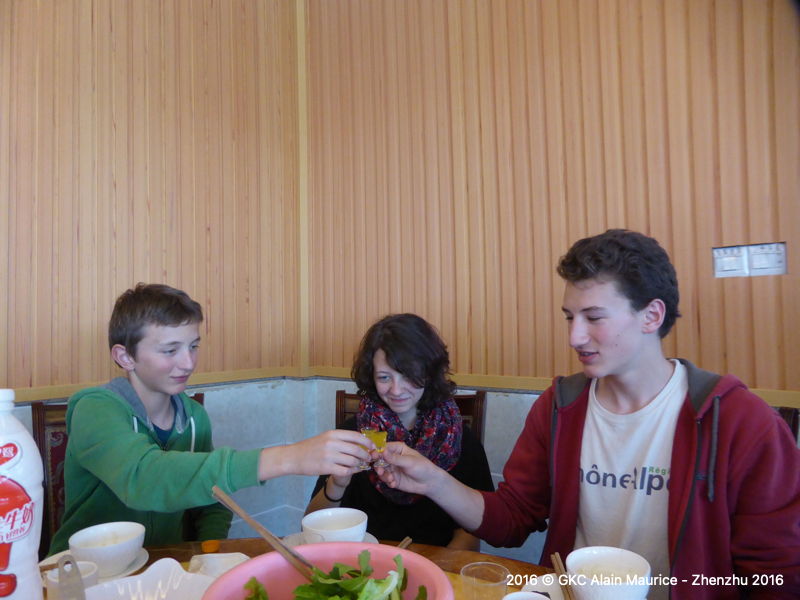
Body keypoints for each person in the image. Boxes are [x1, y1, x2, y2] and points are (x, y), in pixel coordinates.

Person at [377, 230, 800, 599]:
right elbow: (513, 519)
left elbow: (777, 575)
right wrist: (434, 481)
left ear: (652, 315)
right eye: (570, 318)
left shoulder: (739, 421)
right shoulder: (561, 407)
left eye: (594, 317)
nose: (575, 336)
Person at [49, 283, 371, 554]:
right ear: (125, 356)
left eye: (193, 346)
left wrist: (209, 551)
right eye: (170, 350)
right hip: (83, 573)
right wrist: (289, 458)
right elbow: (144, 478)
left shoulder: (194, 418)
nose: (188, 362)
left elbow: (213, 499)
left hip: (163, 569)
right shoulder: (95, 408)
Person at [306, 313, 493, 549]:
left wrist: (435, 569)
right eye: (384, 377)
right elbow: (312, 526)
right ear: (371, 377)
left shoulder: (458, 439)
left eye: (409, 376)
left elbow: (471, 533)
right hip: (364, 562)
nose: (396, 390)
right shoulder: (353, 435)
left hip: (437, 563)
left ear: (429, 373)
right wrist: (337, 484)